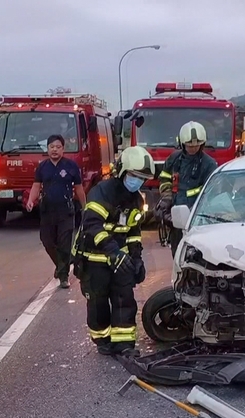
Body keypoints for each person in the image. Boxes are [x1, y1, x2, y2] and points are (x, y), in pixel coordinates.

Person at [73, 145, 152, 356]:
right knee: (98, 304)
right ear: (123, 171)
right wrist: (112, 251)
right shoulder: (101, 192)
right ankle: (103, 341)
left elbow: (133, 231)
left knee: (124, 299)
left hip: (120, 259)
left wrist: (136, 258)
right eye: (134, 176)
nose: (138, 181)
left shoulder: (136, 199)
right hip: (95, 259)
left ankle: (124, 344)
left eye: (142, 178)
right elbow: (92, 225)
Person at [26, 134, 86, 289]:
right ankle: (60, 265)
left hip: (66, 211)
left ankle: (64, 276)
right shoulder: (42, 167)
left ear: (63, 149)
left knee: (65, 244)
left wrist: (85, 206)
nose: (54, 150)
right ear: (47, 149)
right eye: (51, 147)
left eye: (58, 147)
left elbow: (79, 188)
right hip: (47, 211)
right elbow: (36, 186)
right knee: (47, 241)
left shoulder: (71, 166)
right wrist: (31, 201)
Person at [155, 121, 219, 257]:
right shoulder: (174, 159)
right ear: (182, 144)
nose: (193, 149)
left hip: (197, 220)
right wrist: (166, 199)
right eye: (189, 146)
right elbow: (165, 179)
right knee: (178, 253)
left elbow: (211, 192)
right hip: (176, 218)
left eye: (196, 145)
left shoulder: (209, 164)